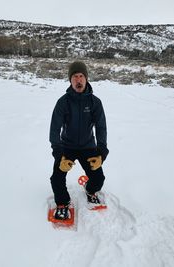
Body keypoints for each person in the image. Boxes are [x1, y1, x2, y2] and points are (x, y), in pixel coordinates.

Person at [49, 61, 109, 220]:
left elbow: (101, 127)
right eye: (75, 76)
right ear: (70, 80)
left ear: (86, 79)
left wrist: (101, 153)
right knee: (56, 178)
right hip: (66, 146)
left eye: (81, 76)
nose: (78, 79)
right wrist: (58, 154)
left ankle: (90, 190)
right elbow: (54, 129)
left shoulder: (95, 102)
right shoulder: (63, 102)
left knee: (99, 179)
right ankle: (63, 202)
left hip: (88, 147)